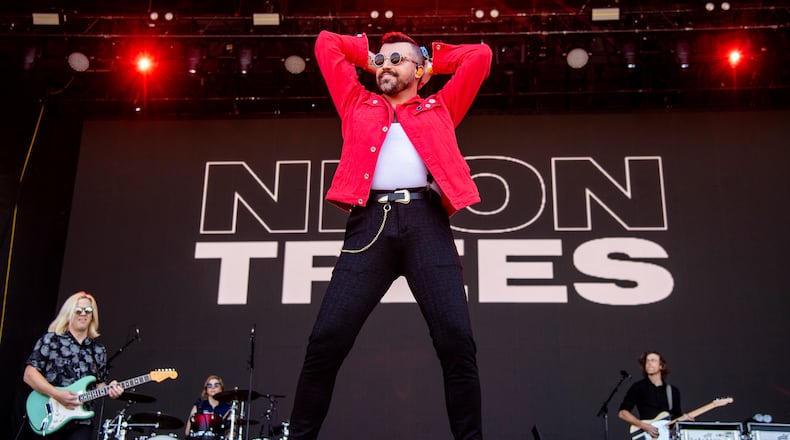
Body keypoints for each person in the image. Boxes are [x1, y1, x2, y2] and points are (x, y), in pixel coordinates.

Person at [288, 30, 492, 440]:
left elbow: (480, 56)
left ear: (419, 70)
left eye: (397, 60)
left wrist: (433, 60)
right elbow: (326, 43)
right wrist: (368, 57)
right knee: (326, 340)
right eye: (381, 61)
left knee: (456, 341)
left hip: (426, 221)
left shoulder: (440, 107)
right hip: (370, 224)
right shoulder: (356, 103)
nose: (386, 66)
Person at [23, 291, 124, 440]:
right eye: (78, 310)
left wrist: (111, 389)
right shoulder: (51, 340)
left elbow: (99, 385)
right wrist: (56, 394)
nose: (83, 314)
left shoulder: (98, 350)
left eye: (88, 310)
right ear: (69, 313)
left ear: (92, 315)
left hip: (82, 422)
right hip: (50, 415)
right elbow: (29, 375)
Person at [618, 351, 693, 438]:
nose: (649, 363)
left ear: (661, 366)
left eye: (653, 360)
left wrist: (684, 419)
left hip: (665, 436)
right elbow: (622, 413)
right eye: (647, 361)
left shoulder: (673, 391)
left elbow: (676, 417)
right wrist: (644, 426)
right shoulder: (638, 387)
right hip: (646, 435)